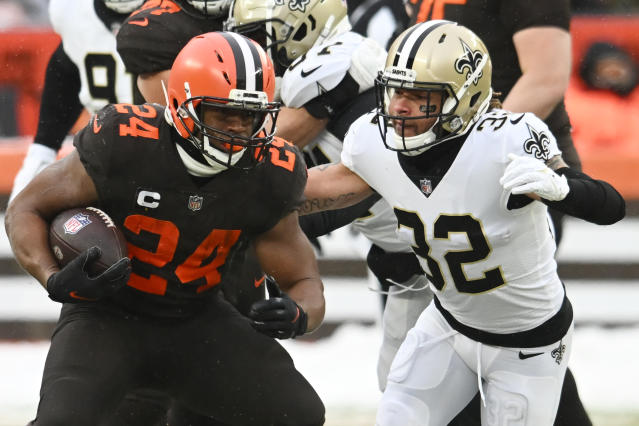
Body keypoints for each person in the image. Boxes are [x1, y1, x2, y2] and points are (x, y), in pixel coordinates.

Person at [302, 21, 625, 425]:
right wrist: (251, 187)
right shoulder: (374, 140)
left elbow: (610, 206)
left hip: (529, 344)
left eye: (419, 96)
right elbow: (326, 187)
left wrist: (562, 188)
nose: (399, 106)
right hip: (449, 325)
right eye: (395, 90)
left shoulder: (505, 142)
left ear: (462, 99)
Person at [5, 31, 326, 426]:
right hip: (107, 317)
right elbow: (26, 208)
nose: (239, 129)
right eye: (223, 113)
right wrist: (53, 278)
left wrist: (299, 314)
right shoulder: (125, 141)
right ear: (181, 103)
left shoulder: (272, 172)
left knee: (300, 414)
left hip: (197, 321)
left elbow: (304, 279)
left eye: (250, 115)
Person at [9, 0, 144, 203]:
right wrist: (44, 147)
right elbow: (67, 70)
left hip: (164, 148)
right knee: (26, 208)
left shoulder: (175, 15)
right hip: (100, 150)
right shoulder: (72, 10)